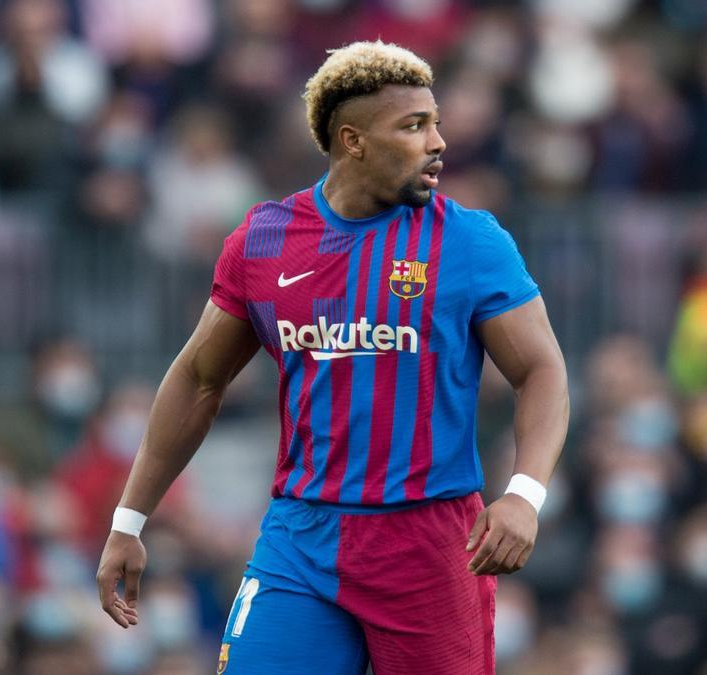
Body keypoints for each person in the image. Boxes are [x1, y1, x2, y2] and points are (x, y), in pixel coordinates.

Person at [94, 40, 569, 674]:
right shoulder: (263, 241)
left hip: (430, 545)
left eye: (436, 122)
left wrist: (524, 493)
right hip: (303, 536)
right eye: (414, 125)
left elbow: (540, 370)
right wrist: (130, 519)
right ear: (353, 141)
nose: (438, 142)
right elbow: (200, 379)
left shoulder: (470, 241)